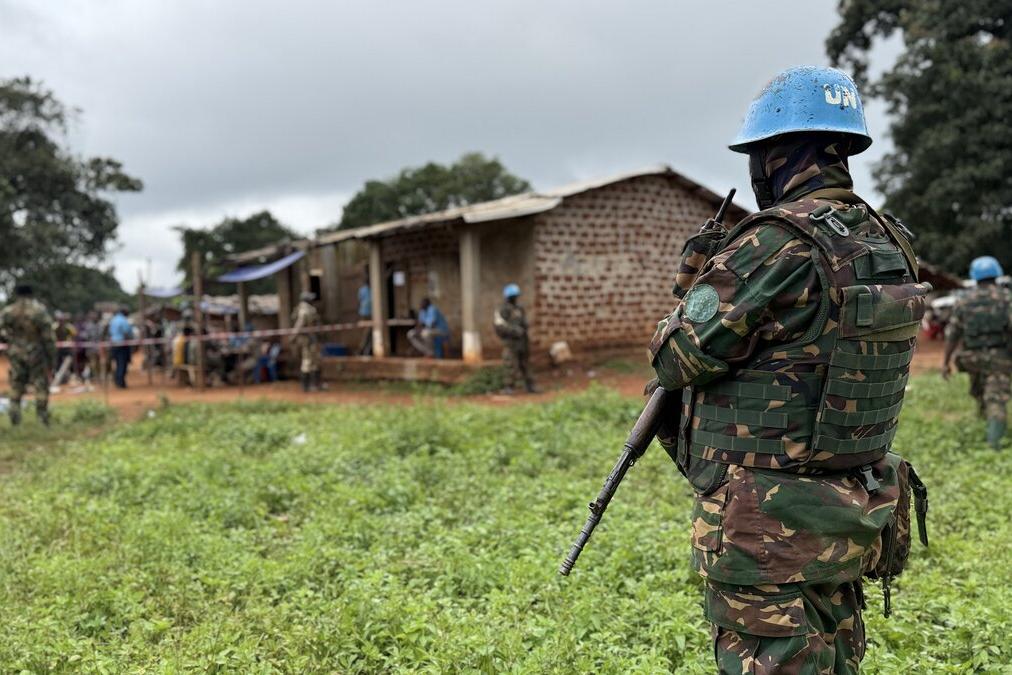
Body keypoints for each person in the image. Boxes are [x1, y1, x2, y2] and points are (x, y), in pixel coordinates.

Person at [648, 66, 927, 672]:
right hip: (851, 509)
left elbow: (675, 360)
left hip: (766, 527)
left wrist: (693, 278)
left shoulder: (774, 243)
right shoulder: (890, 241)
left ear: (775, 155)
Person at [942, 256, 1012, 448]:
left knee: (979, 391)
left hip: (971, 358)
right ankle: (994, 444)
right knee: (995, 399)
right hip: (1000, 359)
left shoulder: (964, 301)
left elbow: (953, 334)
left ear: (975, 276)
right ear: (997, 274)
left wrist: (945, 362)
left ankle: (984, 426)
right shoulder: (1006, 298)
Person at [0, 284, 56, 426]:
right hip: (36, 352)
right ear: (31, 294)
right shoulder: (39, 311)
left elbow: (2, 330)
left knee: (16, 383)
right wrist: (52, 358)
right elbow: (48, 337)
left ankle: (14, 417)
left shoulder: (8, 311)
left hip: (15, 352)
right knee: (40, 384)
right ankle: (42, 418)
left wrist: (10, 341)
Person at [494, 284, 536, 394]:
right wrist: (514, 330)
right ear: (507, 297)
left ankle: (530, 386)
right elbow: (499, 326)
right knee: (510, 365)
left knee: (525, 364)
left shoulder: (519, 309)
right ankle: (509, 387)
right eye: (513, 296)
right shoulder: (502, 310)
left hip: (523, 342)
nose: (515, 298)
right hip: (510, 342)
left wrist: (524, 327)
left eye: (516, 296)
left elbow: (524, 323)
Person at [292, 290, 322, 391]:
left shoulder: (304, 309)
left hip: (310, 337)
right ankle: (306, 386)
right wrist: (293, 336)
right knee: (308, 361)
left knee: (314, 360)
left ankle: (314, 385)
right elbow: (299, 325)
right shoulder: (305, 310)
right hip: (307, 338)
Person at [108, 306, 134, 388]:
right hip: (122, 344)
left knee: (118, 363)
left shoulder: (113, 320)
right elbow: (127, 332)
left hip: (114, 344)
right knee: (122, 363)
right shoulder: (123, 320)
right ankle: (120, 382)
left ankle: (117, 380)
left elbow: (110, 332)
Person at [358, 271, 373, 356]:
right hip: (367, 313)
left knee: (368, 332)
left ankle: (365, 350)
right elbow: (360, 300)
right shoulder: (365, 290)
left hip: (367, 312)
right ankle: (362, 349)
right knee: (367, 332)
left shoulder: (364, 290)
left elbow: (360, 300)